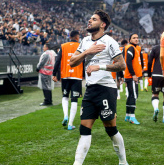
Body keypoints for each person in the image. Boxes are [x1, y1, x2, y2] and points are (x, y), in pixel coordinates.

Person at [70, 9, 128, 165]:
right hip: (90, 90)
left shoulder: (110, 41)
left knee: (110, 128)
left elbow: (122, 65)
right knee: (84, 128)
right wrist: (87, 52)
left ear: (102, 24)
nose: (89, 20)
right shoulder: (85, 41)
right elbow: (72, 61)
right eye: (90, 18)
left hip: (106, 89)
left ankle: (123, 162)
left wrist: (100, 67)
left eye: (93, 19)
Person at [52, 30, 83, 130]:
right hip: (77, 75)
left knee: (65, 96)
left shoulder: (63, 46)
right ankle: (70, 124)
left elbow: (57, 60)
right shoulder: (81, 46)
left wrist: (54, 74)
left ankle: (65, 115)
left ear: (70, 37)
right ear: (77, 37)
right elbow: (85, 60)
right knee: (74, 99)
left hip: (65, 75)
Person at [123, 33, 142, 124]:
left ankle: (127, 115)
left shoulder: (134, 48)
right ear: (130, 40)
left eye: (137, 38)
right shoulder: (131, 48)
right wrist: (133, 74)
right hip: (131, 77)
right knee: (134, 95)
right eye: (134, 38)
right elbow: (128, 61)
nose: (136, 39)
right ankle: (132, 117)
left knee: (131, 95)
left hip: (130, 76)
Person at [148, 44, 164, 123]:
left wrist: (149, 74)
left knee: (155, 94)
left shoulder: (155, 48)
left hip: (156, 74)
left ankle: (156, 108)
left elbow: (150, 61)